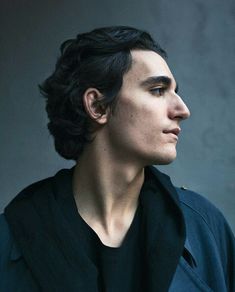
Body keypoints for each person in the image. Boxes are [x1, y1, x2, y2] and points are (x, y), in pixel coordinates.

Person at [0, 26, 234, 292]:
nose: (182, 110)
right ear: (98, 106)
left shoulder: (204, 227)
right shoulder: (11, 237)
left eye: (175, 91)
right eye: (158, 90)